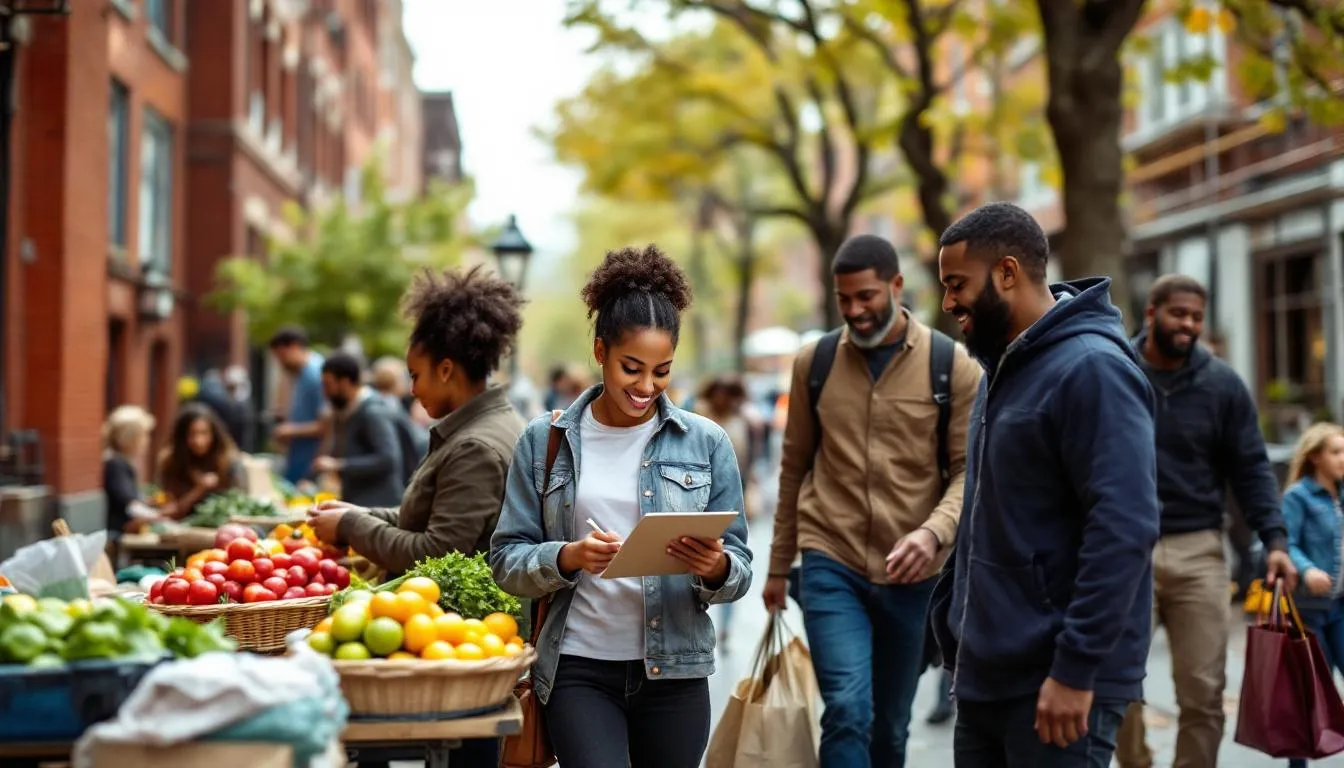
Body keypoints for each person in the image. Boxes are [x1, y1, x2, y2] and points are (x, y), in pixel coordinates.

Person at [490, 245, 753, 768]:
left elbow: (741, 568)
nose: (646, 387)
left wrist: (716, 567)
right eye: (632, 368)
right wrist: (567, 557)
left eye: (662, 371)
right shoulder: (546, 440)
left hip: (675, 672)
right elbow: (505, 560)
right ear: (600, 351)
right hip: (579, 668)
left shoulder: (706, 442)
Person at [927, 202, 1161, 767]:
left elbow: (1124, 528)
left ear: (1007, 272)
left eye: (957, 284)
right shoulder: (1001, 369)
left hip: (1058, 684)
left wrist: (1075, 671)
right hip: (988, 676)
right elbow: (992, 513)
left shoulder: (1093, 368)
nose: (948, 302)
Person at [762, 234, 981, 767]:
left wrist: (934, 533)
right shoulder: (813, 363)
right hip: (830, 560)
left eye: (867, 297)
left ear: (896, 286)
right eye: (845, 300)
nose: (856, 311)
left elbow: (966, 473)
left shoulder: (951, 366)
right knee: (847, 708)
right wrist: (776, 567)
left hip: (914, 575)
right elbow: (794, 467)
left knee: (889, 727)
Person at [306, 266, 526, 768]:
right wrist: (358, 514)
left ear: (446, 369)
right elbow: (422, 518)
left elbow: (435, 554)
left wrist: (352, 527)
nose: (411, 388)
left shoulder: (475, 445)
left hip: (457, 646)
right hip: (456, 645)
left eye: (416, 374)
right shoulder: (484, 426)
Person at [1116, 275, 1298, 768]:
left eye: (1197, 316)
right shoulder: (1117, 371)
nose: (1189, 325)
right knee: (1116, 680)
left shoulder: (1222, 384)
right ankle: (1136, 763)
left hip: (1200, 549)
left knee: (1203, 690)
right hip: (1127, 548)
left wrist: (1274, 539)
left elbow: (1252, 467)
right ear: (1151, 313)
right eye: (1178, 314)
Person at [1282, 422, 1344, 768]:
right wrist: (1306, 570)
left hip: (1340, 608)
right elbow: (1284, 543)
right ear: (1316, 457)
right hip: (1308, 611)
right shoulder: (1298, 497)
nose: (1343, 459)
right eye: (1336, 452)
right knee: (1307, 698)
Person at [313, 352, 406, 508]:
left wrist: (339, 465)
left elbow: (387, 459)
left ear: (345, 382)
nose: (325, 393)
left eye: (328, 385)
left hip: (378, 505)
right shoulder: (345, 410)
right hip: (358, 502)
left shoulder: (373, 412)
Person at [156, 404, 246, 520]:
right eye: (192, 434)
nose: (199, 441)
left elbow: (240, 504)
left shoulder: (229, 462)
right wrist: (199, 490)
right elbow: (171, 511)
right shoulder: (171, 463)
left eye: (204, 433)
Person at [268, 326, 326, 484]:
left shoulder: (316, 374)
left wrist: (290, 431)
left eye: (282, 356)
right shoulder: (301, 374)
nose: (281, 363)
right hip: (299, 460)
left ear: (294, 347)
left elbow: (326, 424)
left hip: (311, 465)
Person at [102, 405, 159, 538]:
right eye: (144, 435)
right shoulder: (116, 465)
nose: (147, 440)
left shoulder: (119, 461)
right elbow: (130, 506)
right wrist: (157, 516)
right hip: (119, 535)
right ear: (130, 437)